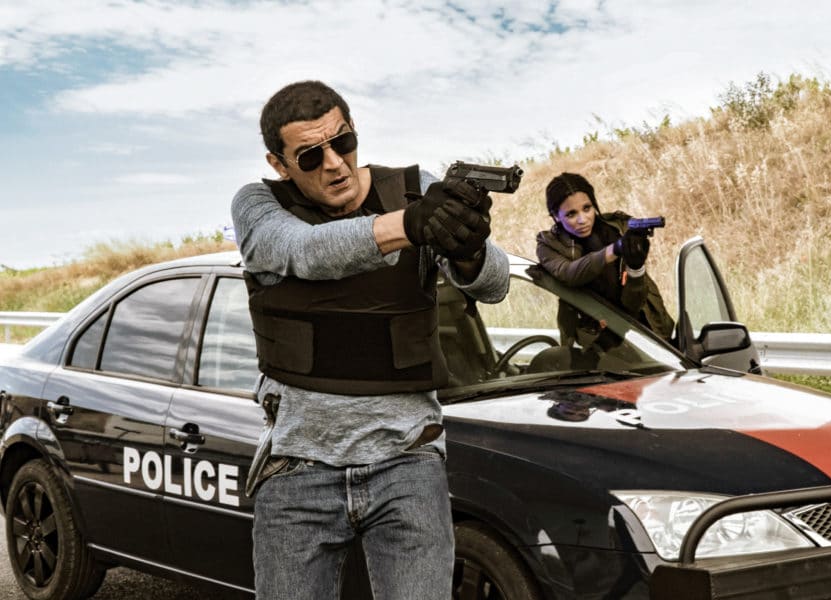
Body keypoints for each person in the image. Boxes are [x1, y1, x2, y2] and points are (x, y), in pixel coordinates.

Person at [230, 80, 509, 600]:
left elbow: (494, 284)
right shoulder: (258, 205)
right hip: (298, 469)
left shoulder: (414, 188)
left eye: (343, 142)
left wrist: (468, 247)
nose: (335, 164)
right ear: (279, 164)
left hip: (408, 460)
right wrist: (411, 224)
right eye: (310, 156)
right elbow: (305, 251)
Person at [535, 172, 674, 349]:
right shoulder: (549, 245)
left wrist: (636, 268)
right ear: (556, 216)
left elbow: (634, 303)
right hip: (594, 345)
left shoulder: (618, 228)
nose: (582, 220)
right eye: (571, 214)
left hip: (647, 331)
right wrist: (614, 249)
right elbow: (569, 273)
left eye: (587, 208)